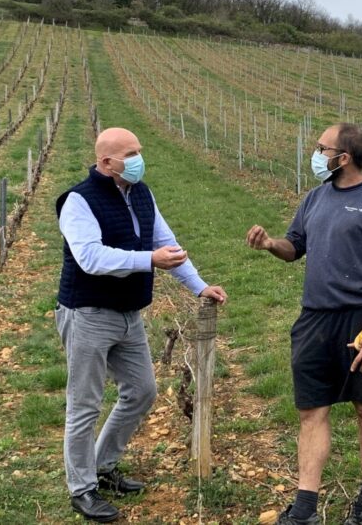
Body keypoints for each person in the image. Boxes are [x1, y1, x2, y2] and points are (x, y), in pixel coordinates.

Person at [55, 127, 227, 523]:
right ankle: (81, 489)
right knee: (84, 405)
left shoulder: (142, 194)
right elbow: (91, 259)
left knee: (143, 391)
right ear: (106, 163)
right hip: (87, 314)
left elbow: (168, 244)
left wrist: (200, 287)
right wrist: (148, 260)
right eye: (131, 153)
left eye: (139, 151)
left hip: (129, 314)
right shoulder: (78, 201)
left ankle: (103, 465)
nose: (139, 159)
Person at [246, 123, 362, 525]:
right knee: (312, 410)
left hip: (360, 320)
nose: (316, 154)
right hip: (314, 318)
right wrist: (270, 244)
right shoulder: (314, 198)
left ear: (343, 158)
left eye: (321, 148)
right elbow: (295, 247)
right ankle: (306, 507)